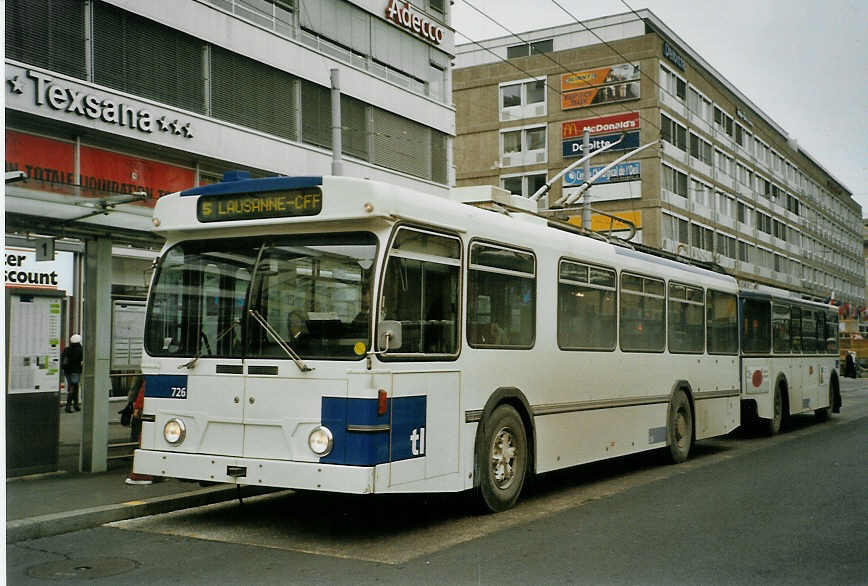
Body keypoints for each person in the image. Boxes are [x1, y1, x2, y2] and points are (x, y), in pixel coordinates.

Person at [61, 334, 83, 412]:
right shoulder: (80, 350)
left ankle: (76, 405)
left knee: (74, 387)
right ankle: (68, 406)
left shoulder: (66, 349)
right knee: (73, 388)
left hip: (67, 371)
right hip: (75, 372)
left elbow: (63, 359)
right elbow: (82, 360)